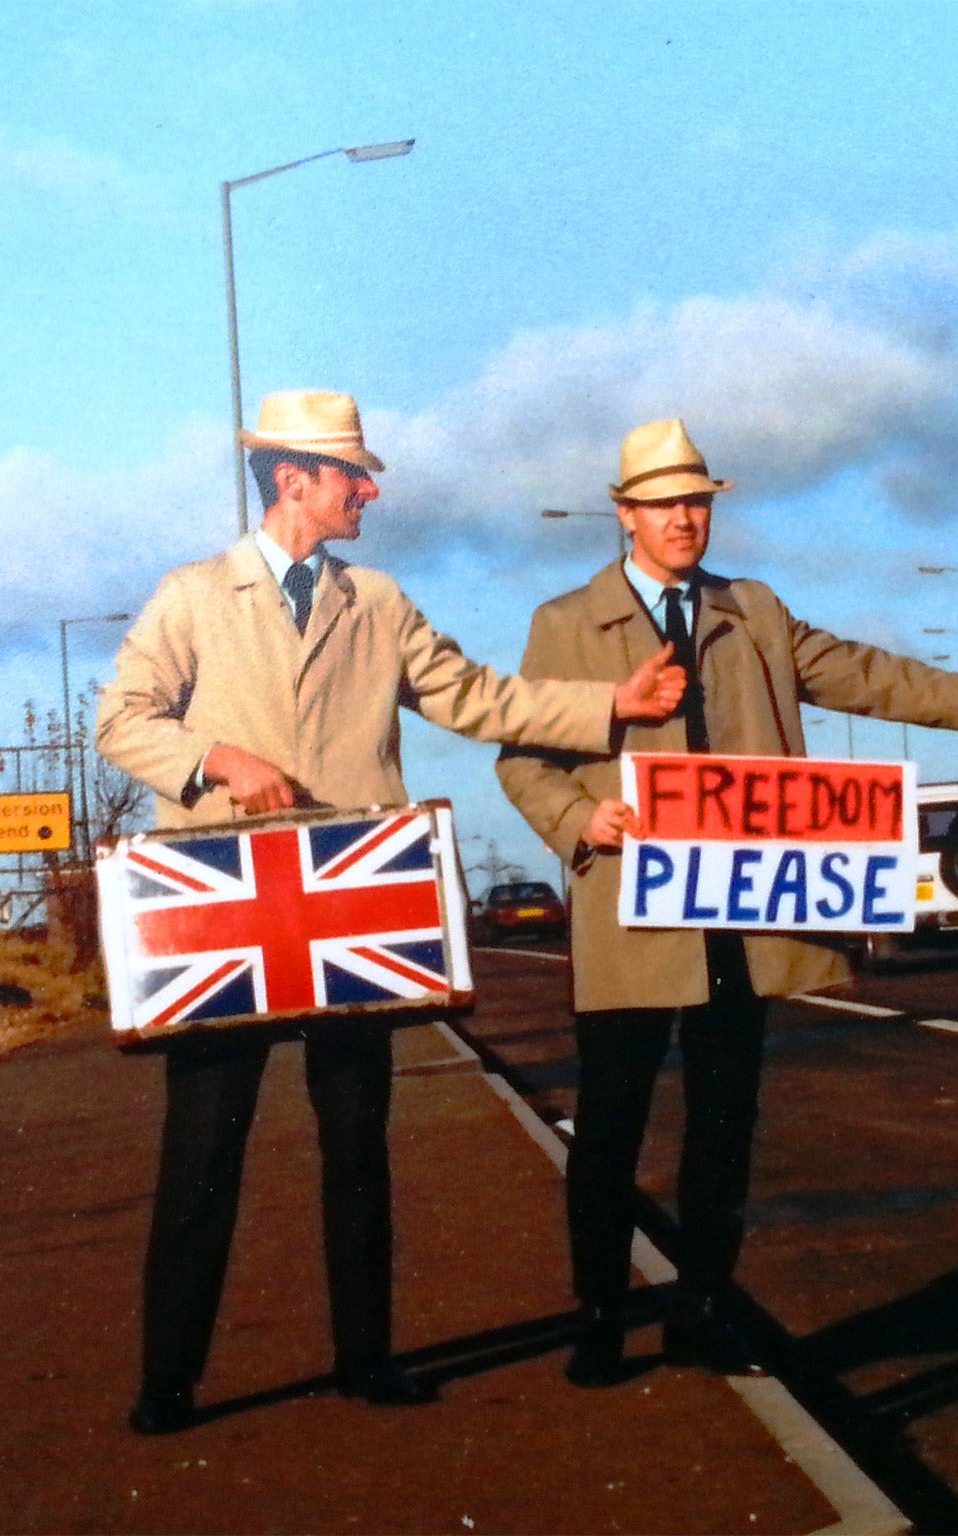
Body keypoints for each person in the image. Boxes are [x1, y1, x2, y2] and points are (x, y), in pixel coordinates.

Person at [96, 389, 685, 1434]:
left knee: (358, 1148)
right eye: (350, 476)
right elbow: (122, 721)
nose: (369, 491)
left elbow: (478, 697)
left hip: (355, 911)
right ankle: (163, 1383)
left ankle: (366, 1359)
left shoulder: (378, 602)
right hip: (222, 917)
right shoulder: (191, 597)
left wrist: (608, 706)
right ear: (293, 482)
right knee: (202, 1156)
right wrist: (218, 759)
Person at [496, 418, 958, 1386]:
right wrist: (577, 819)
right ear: (624, 515)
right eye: (665, 504)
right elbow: (522, 756)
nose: (685, 519)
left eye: (698, 503)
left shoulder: (752, 609)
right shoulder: (564, 623)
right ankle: (597, 1318)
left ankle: (703, 1312)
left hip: (743, 913)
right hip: (631, 915)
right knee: (614, 1124)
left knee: (724, 1124)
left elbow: (860, 672)